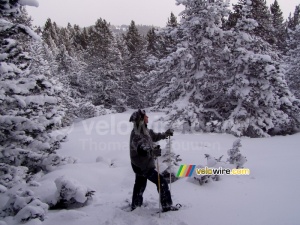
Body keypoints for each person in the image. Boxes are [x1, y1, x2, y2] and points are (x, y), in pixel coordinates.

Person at [129, 109, 178, 212]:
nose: (148, 117)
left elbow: (155, 136)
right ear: (141, 119)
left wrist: (166, 134)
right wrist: (151, 152)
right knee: (162, 182)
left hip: (139, 165)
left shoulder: (145, 130)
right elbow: (140, 148)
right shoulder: (137, 133)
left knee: (140, 185)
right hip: (143, 166)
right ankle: (166, 206)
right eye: (145, 116)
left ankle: (136, 205)